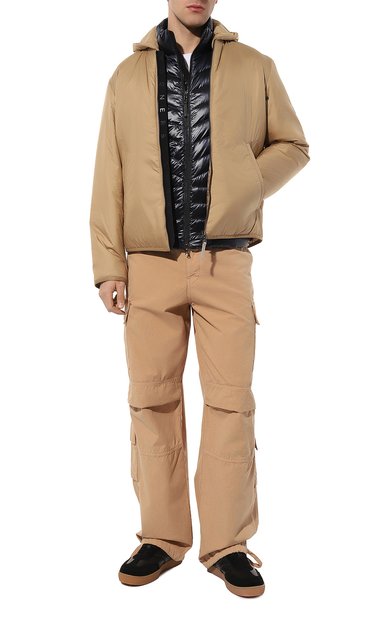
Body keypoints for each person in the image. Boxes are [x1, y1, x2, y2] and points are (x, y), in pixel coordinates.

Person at [89, 0, 310, 598]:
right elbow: (108, 170)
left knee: (231, 401)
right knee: (152, 400)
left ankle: (228, 544)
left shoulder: (255, 66)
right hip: (149, 265)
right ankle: (161, 538)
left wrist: (242, 181)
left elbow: (293, 144)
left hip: (226, 262)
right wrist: (108, 265)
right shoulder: (126, 75)